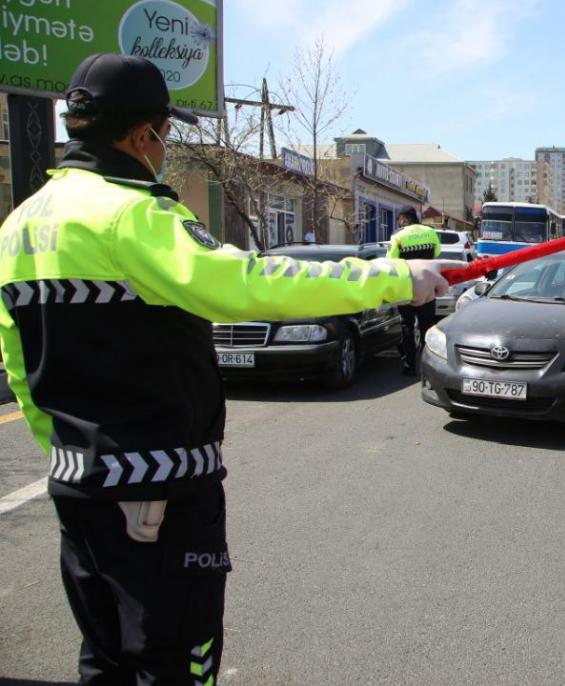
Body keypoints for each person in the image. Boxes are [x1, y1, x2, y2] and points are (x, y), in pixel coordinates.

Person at [0, 53, 464, 685]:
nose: (166, 146)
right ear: (142, 134)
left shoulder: (21, 223)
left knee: (105, 659)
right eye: (166, 131)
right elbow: (246, 283)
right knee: (178, 662)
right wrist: (389, 279)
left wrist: (67, 452)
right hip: (158, 493)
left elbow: (19, 362)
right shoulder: (132, 213)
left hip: (78, 489)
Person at [388, 208, 442, 375]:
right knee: (427, 326)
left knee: (407, 326)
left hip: (407, 287)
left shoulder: (398, 236)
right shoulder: (431, 232)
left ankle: (410, 365)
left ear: (404, 219)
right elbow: (437, 253)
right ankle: (428, 366)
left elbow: (391, 261)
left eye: (400, 219)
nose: (399, 222)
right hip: (427, 287)